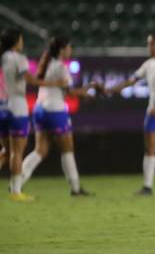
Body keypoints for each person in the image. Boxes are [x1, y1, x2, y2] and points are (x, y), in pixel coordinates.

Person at [106, 31, 155, 195]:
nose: (149, 47)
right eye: (149, 44)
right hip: (153, 113)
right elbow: (130, 81)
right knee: (150, 149)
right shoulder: (148, 64)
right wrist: (110, 90)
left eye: (152, 44)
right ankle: (147, 187)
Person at [21, 35, 99, 196]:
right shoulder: (61, 67)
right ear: (62, 50)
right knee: (67, 150)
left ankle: (17, 182)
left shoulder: (46, 64)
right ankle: (75, 188)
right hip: (55, 111)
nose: (70, 50)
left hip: (39, 110)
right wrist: (88, 91)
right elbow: (70, 92)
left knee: (40, 150)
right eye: (69, 47)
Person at [1, 28, 68, 202]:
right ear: (16, 42)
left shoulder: (2, 58)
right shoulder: (19, 58)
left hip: (2, 106)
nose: (22, 42)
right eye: (21, 39)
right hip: (17, 107)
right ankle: (16, 192)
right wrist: (55, 83)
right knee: (16, 152)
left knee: (6, 151)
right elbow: (30, 80)